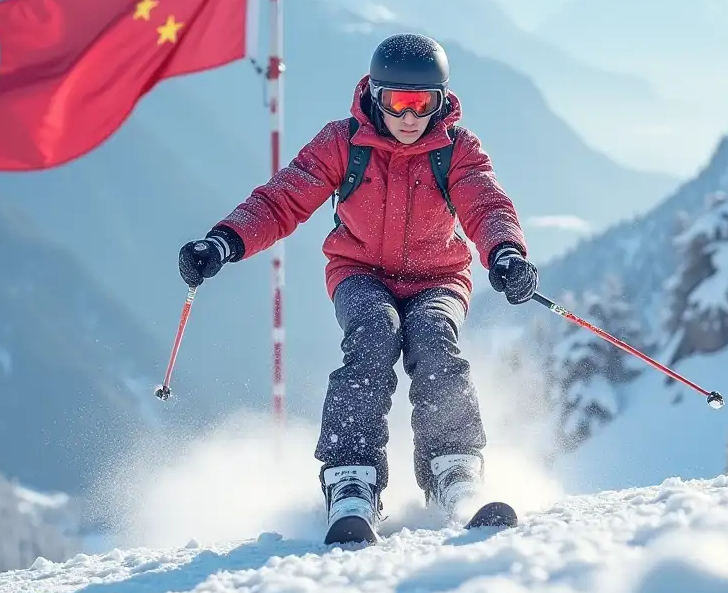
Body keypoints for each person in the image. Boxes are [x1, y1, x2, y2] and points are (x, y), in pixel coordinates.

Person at [177, 33, 539, 542]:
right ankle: (351, 476)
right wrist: (223, 242)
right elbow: (283, 199)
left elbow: (486, 204)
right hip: (360, 273)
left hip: (439, 277)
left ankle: (454, 470)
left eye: (422, 104)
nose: (409, 117)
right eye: (397, 102)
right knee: (373, 333)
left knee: (435, 337)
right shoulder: (343, 143)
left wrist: (505, 253)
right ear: (374, 95)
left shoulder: (456, 148)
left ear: (440, 102)